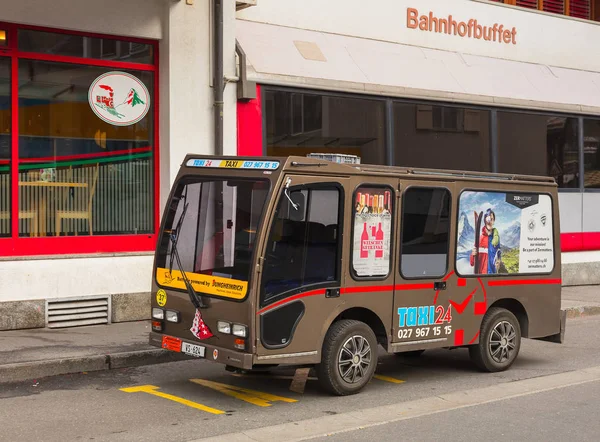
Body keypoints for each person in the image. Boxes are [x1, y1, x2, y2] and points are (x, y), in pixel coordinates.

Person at [471, 208, 500, 274]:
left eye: (492, 219)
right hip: (481, 277)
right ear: (485, 220)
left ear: (494, 221)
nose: (490, 221)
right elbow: (472, 263)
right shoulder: (480, 239)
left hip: (492, 276)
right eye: (488, 219)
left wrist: (498, 262)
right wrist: (473, 255)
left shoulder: (496, 238)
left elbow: (498, 253)